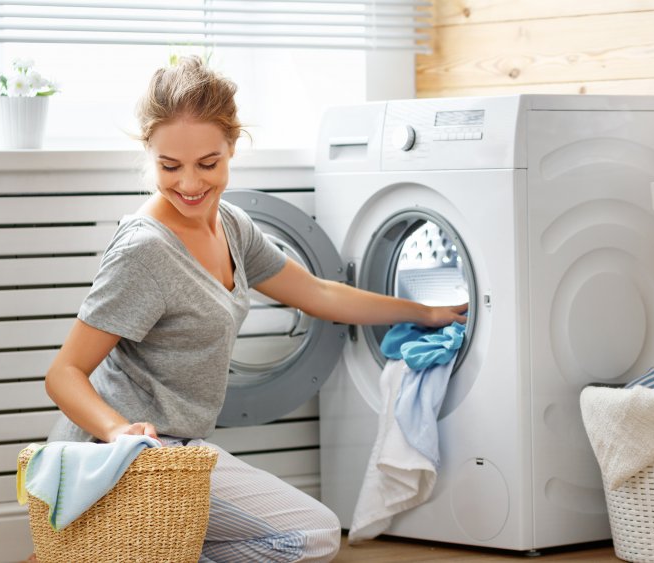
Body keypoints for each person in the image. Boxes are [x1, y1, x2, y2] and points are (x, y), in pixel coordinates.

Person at [39, 55, 467, 563]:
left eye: (208, 163)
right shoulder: (145, 250)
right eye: (169, 166)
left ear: (232, 147)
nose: (190, 185)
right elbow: (64, 373)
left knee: (304, 535)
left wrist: (424, 312)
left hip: (182, 455)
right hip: (126, 459)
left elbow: (320, 294)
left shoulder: (233, 226)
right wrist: (117, 431)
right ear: (149, 152)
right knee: (314, 538)